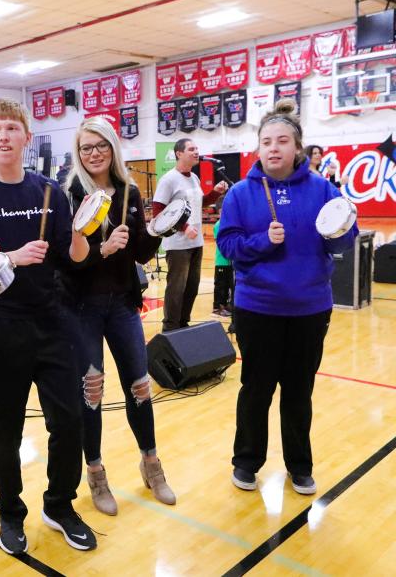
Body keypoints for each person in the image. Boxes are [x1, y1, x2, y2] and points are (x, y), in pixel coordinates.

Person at [0, 98, 95, 555]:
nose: (4, 137)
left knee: (70, 421)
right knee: (4, 429)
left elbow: (75, 260)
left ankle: (60, 505)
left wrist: (84, 233)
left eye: (12, 128)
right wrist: (9, 257)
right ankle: (11, 514)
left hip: (51, 323)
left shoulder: (48, 190)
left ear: (27, 138)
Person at [217, 99, 358, 496]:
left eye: (282, 141)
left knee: (299, 391)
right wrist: (263, 241)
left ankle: (300, 466)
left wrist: (343, 230)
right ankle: (246, 462)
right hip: (258, 308)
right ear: (258, 148)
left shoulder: (323, 189)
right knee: (256, 388)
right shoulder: (242, 194)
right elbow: (227, 243)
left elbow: (342, 238)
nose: (274, 148)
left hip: (310, 309)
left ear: (298, 148)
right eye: (266, 141)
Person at [60, 117, 175, 515]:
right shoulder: (71, 194)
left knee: (140, 386)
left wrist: (159, 228)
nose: (94, 153)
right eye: (86, 147)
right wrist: (101, 251)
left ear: (112, 148)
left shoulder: (128, 192)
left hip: (123, 304)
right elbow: (65, 264)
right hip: (82, 308)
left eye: (100, 145)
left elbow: (141, 253)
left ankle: (151, 464)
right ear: (79, 152)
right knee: (91, 393)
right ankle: (95, 472)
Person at [152, 139, 228, 331]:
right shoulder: (168, 179)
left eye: (197, 148)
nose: (196, 152)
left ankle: (183, 324)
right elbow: (158, 213)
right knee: (176, 289)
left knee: (192, 288)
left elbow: (197, 204)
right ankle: (170, 328)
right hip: (177, 244)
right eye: (191, 149)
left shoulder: (194, 177)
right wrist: (184, 227)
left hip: (196, 243)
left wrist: (214, 194)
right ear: (179, 154)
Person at [212, 216, 233, 319]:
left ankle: (226, 307)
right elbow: (220, 243)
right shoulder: (218, 224)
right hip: (221, 261)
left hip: (230, 262)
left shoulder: (229, 222)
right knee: (220, 285)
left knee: (229, 285)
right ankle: (217, 308)